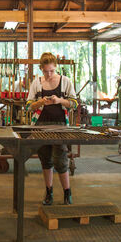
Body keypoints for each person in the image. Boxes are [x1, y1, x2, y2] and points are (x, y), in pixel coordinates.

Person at [26, 52, 78, 206]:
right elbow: (28, 106)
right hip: (40, 126)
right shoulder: (36, 83)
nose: (48, 74)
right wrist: (40, 102)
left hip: (60, 125)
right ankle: (49, 192)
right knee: (45, 160)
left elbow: (74, 103)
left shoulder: (65, 81)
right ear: (41, 68)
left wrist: (60, 100)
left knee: (61, 160)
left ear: (56, 67)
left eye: (51, 71)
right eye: (45, 71)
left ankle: (67, 192)